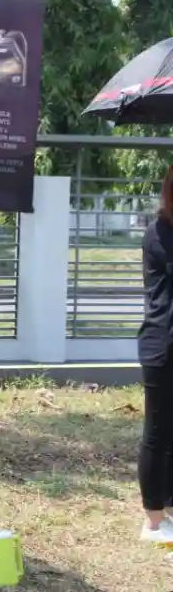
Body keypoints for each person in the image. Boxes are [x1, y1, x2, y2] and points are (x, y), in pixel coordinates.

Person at [137, 165, 173, 543]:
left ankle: (170, 508)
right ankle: (152, 521)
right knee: (158, 434)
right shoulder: (160, 233)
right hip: (163, 345)